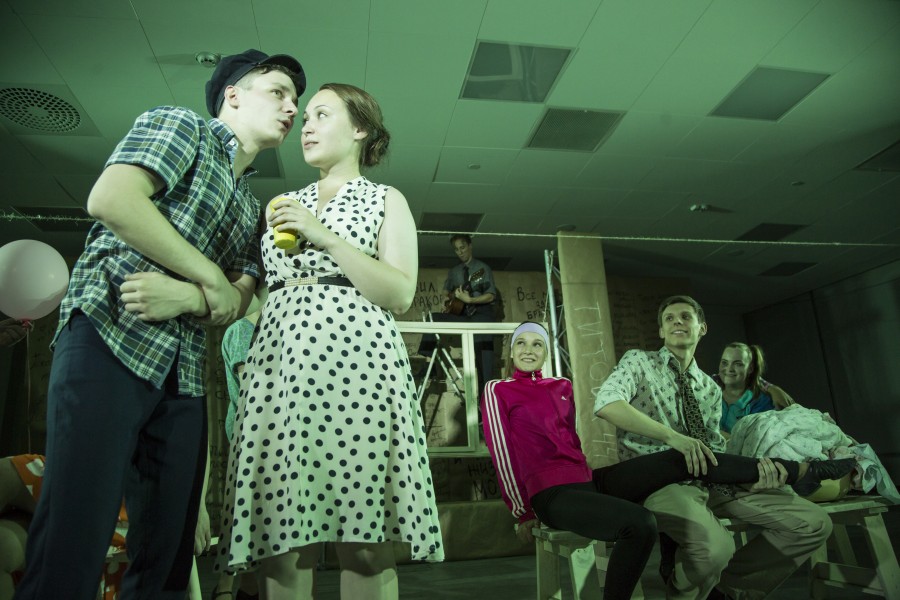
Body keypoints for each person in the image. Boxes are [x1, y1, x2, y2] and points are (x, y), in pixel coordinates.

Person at [14, 49, 306, 600]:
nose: (292, 107)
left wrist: (188, 295)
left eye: (295, 100)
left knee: (168, 554)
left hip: (184, 375)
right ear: (233, 95)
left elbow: (239, 299)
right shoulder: (182, 126)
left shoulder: (251, 207)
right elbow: (112, 198)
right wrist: (208, 278)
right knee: (76, 535)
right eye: (278, 92)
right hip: (110, 337)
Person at [215, 83, 443, 600]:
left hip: (359, 375)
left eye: (321, 115)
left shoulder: (385, 199)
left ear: (360, 128)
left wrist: (325, 237)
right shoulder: (281, 204)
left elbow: (400, 293)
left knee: (363, 542)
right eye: (305, 119)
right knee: (279, 543)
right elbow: (249, 290)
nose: (306, 127)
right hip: (281, 375)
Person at [483, 322, 857, 600]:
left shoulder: (561, 387)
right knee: (640, 523)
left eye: (537, 343)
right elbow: (502, 454)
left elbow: (570, 443)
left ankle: (799, 470)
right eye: (521, 343)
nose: (529, 349)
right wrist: (522, 512)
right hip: (550, 492)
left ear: (547, 351)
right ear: (511, 351)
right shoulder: (498, 390)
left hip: (587, 480)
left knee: (682, 455)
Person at [594, 296, 855, 600]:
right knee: (716, 548)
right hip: (662, 483)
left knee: (814, 523)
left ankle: (724, 591)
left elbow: (714, 446)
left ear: (702, 328)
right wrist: (672, 437)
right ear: (662, 331)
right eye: (669, 318)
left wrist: (750, 476)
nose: (677, 321)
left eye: (686, 316)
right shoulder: (639, 362)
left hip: (712, 480)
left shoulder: (709, 387)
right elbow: (607, 404)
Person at [417, 234, 498, 396]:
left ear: (470, 246)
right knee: (433, 318)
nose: (460, 252)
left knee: (484, 364)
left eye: (462, 248)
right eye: (456, 250)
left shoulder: (482, 269)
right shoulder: (454, 272)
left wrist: (470, 299)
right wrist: (447, 300)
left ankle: (485, 404)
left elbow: (491, 296)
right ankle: (429, 366)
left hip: (481, 316)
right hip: (463, 315)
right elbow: (446, 291)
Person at [717, 342, 794, 435]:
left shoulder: (762, 402)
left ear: (750, 369)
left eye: (738, 364)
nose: (729, 369)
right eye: (724, 362)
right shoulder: (709, 390)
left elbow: (754, 440)